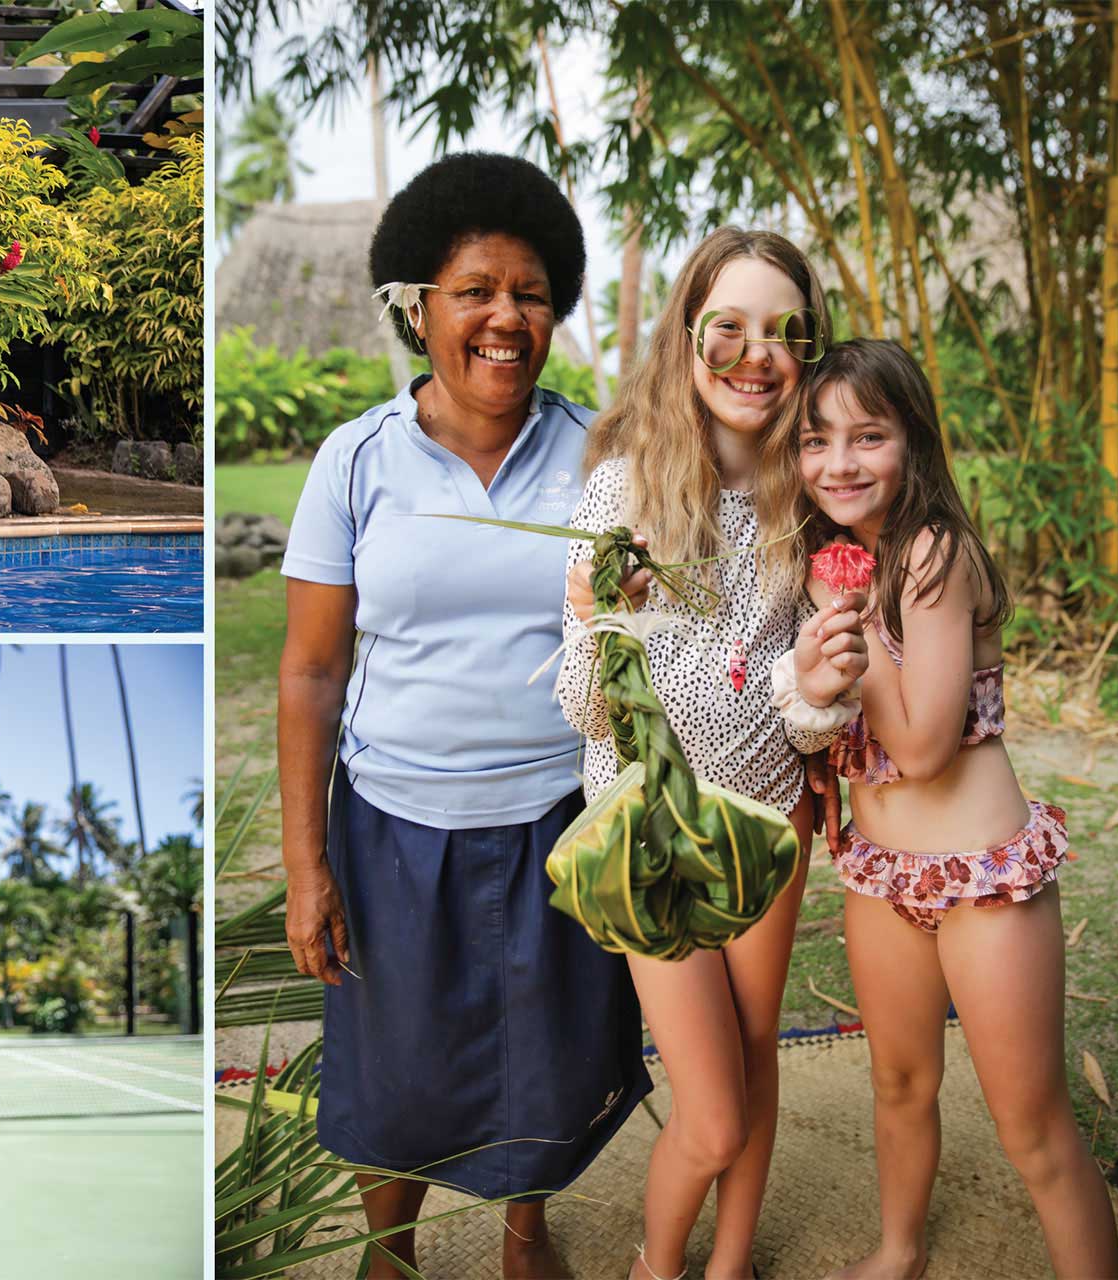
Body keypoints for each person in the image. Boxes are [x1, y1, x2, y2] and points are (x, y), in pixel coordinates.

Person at [278, 152, 650, 1280]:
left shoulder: (600, 456)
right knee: (394, 1067)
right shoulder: (355, 461)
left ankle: (523, 1235)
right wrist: (307, 865)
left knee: (546, 1062)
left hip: (559, 816)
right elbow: (307, 673)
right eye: (475, 289)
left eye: (530, 293)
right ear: (418, 306)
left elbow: (649, 639)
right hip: (393, 822)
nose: (505, 317)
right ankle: (388, 1251)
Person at [554, 227, 867, 1280]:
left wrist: (822, 692)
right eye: (726, 326)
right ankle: (656, 1263)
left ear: (807, 349)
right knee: (716, 1111)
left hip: (768, 823)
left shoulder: (808, 502)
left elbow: (803, 717)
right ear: (685, 339)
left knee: (754, 1055)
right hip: (651, 835)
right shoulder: (621, 493)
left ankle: (728, 1264)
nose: (754, 352)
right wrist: (605, 626)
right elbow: (585, 713)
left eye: (783, 331)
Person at [775, 341, 1118, 1280]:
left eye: (868, 436)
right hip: (884, 876)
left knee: (1033, 1124)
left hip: (980, 877)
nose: (839, 463)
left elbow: (925, 747)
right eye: (816, 441)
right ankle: (899, 1249)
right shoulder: (836, 556)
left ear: (912, 442)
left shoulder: (931, 554)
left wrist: (841, 608)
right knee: (897, 1083)